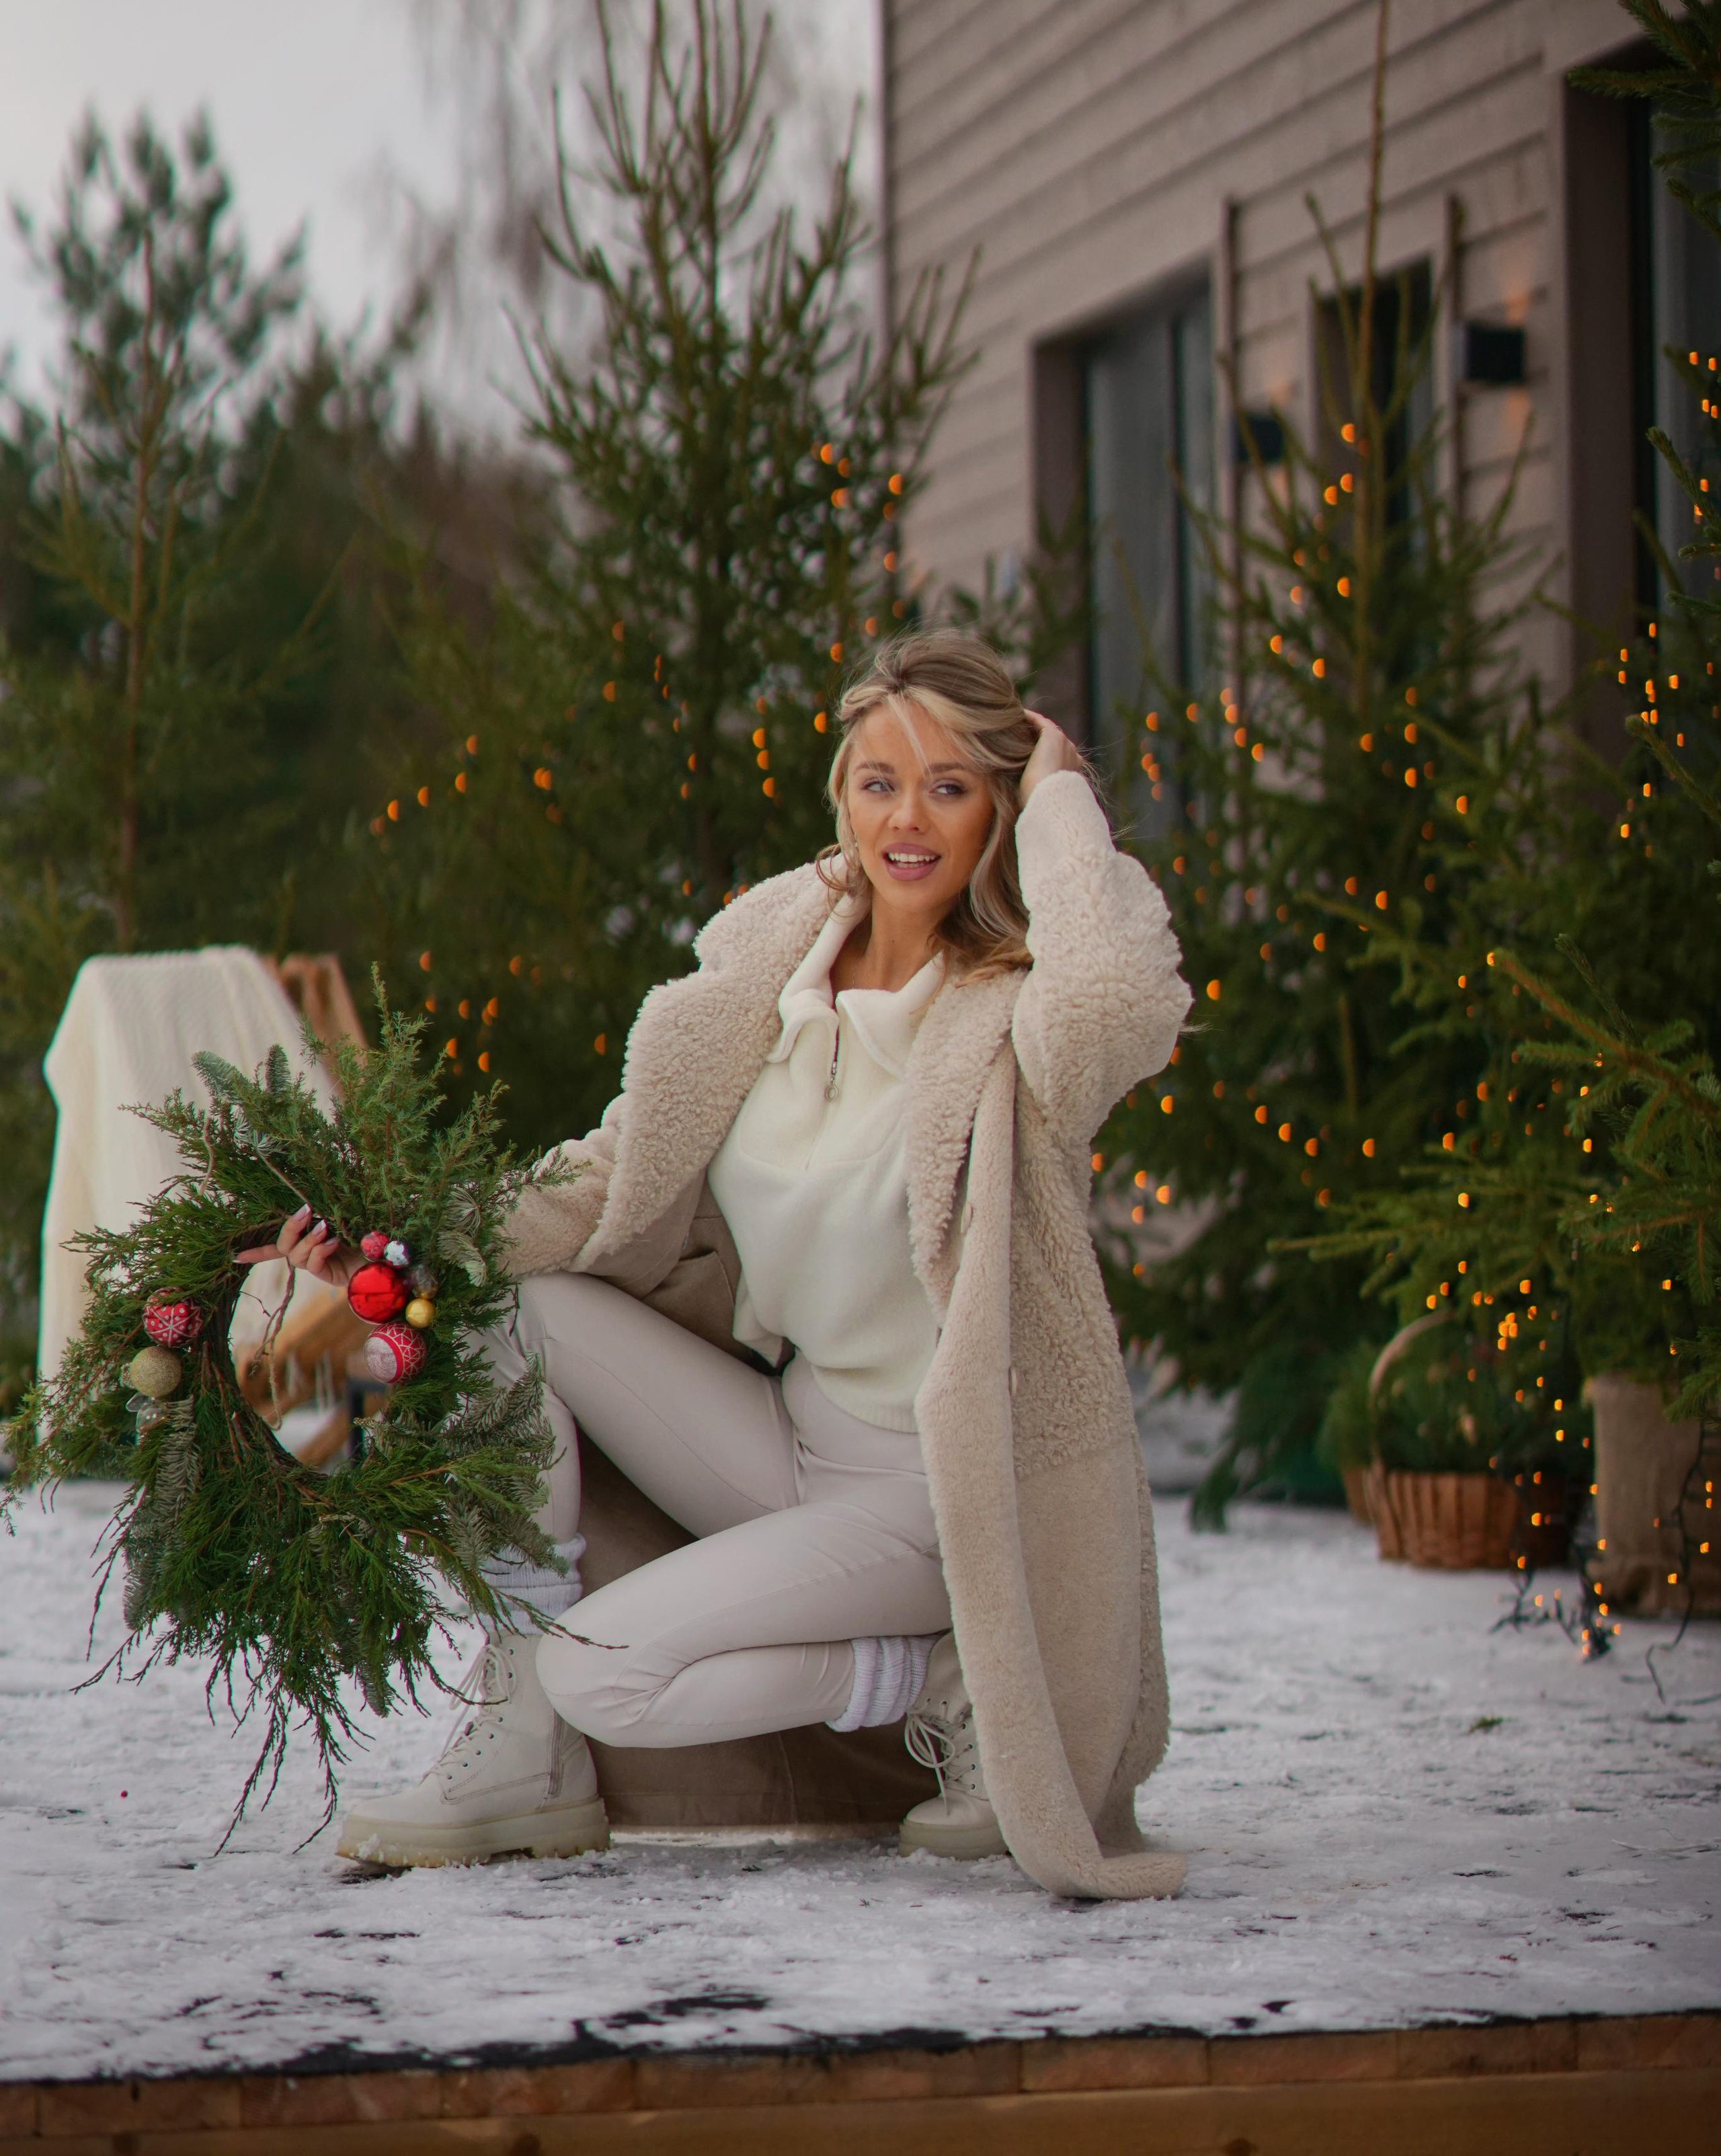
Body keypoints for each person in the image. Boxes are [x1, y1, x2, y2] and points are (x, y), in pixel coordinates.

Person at [252, 631, 1191, 1899]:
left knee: (607, 1668)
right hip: (779, 1439)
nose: (908, 819)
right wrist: (384, 1242)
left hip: (932, 1493)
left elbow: (1121, 999)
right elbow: (603, 1179)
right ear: (840, 795)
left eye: (951, 785)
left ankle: (937, 1671)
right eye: (878, 780)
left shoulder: (1013, 1015)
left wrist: (1068, 791)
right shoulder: (775, 955)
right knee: (524, 1310)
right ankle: (522, 1750)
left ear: (999, 812)